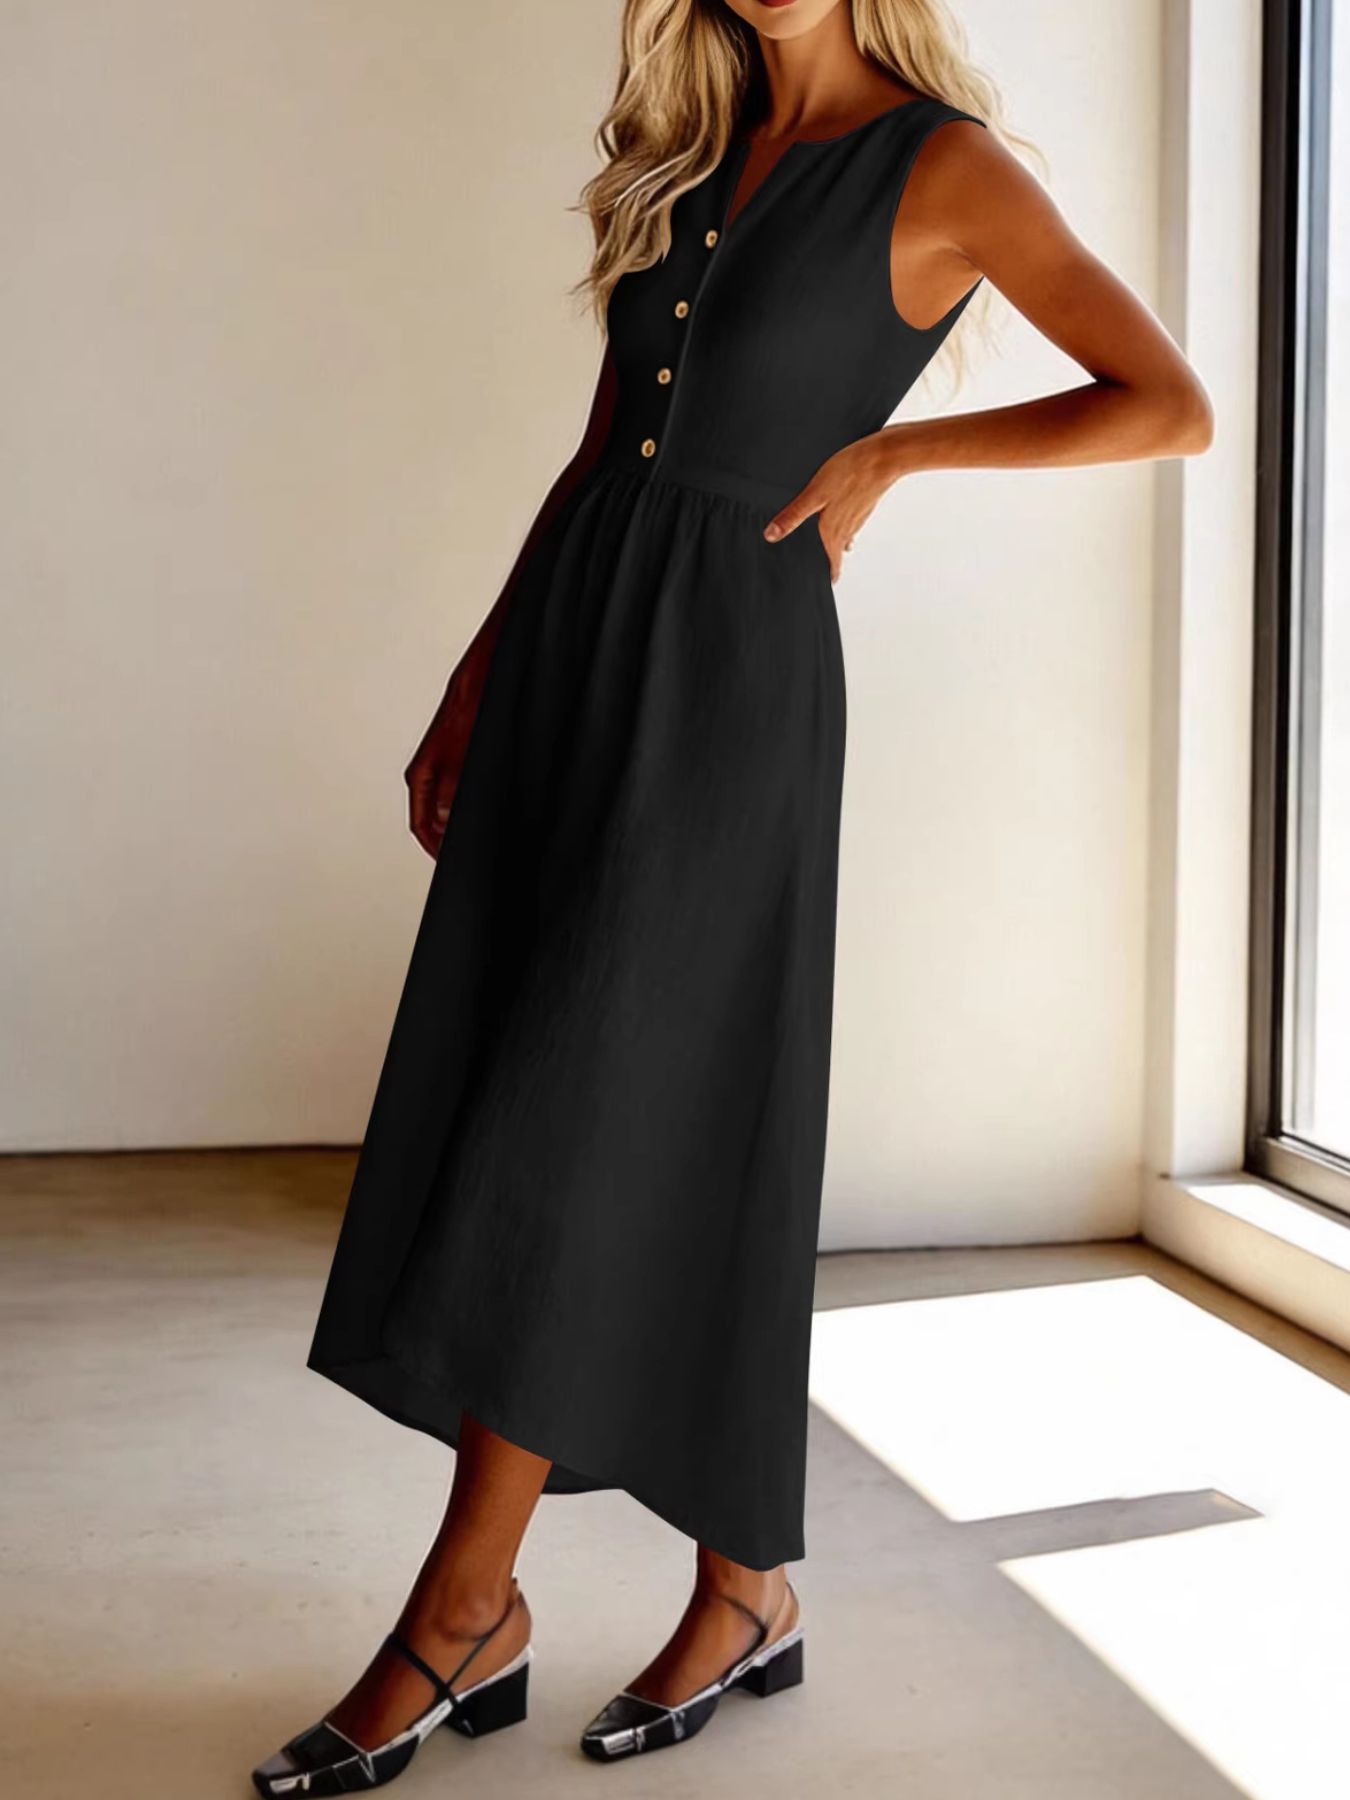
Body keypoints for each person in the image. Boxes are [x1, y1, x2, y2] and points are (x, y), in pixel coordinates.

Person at [252, 0, 1213, 1791]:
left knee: (577, 1119)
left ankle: (463, 1609)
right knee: (612, 1105)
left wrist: (895, 453)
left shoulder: (943, 167)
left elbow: (1169, 405)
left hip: (729, 689)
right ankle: (744, 1589)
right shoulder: (685, 156)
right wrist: (476, 679)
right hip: (579, 654)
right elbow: (597, 452)